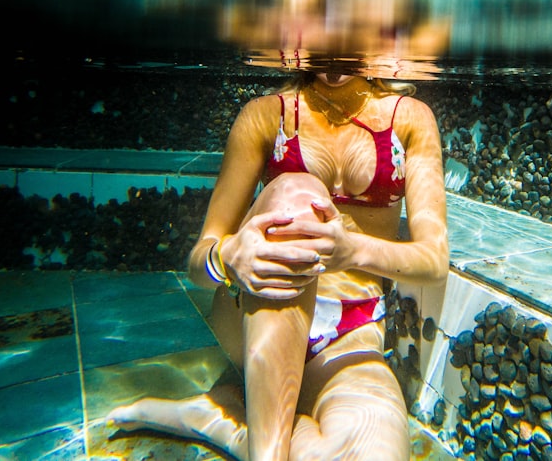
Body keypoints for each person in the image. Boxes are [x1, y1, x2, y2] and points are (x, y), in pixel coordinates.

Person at [107, 68, 449, 460]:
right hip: (256, 315)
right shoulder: (266, 115)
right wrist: (228, 257)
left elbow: (434, 260)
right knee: (295, 191)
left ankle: (223, 420)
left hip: (350, 334)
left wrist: (351, 250)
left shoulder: (409, 117)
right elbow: (198, 262)